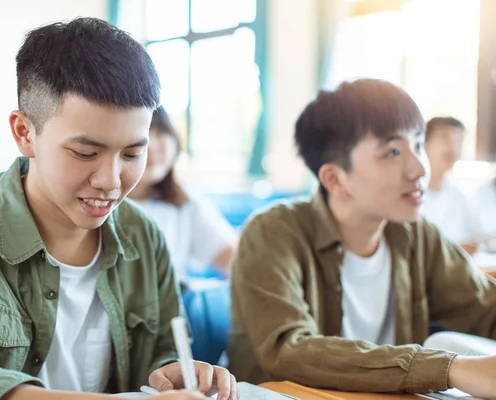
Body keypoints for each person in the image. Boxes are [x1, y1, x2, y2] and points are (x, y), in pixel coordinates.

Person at [0, 18, 237, 400]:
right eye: (85, 153)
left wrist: (172, 373)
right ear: (25, 133)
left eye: (132, 153)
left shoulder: (143, 234)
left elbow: (162, 351)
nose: (111, 181)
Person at [228, 79, 496, 398]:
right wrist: (452, 368)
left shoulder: (418, 235)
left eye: (419, 145)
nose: (419, 168)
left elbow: (484, 308)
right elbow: (289, 350)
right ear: (335, 179)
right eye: (393, 151)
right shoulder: (272, 232)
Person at [129, 106, 236, 281]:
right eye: (145, 135)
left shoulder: (185, 201)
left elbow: (232, 258)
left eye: (161, 133)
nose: (153, 146)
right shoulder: (99, 203)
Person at [420, 117, 479, 252]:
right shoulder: (410, 195)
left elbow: (475, 240)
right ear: (424, 143)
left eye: (458, 140)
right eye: (444, 139)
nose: (453, 148)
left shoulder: (459, 195)